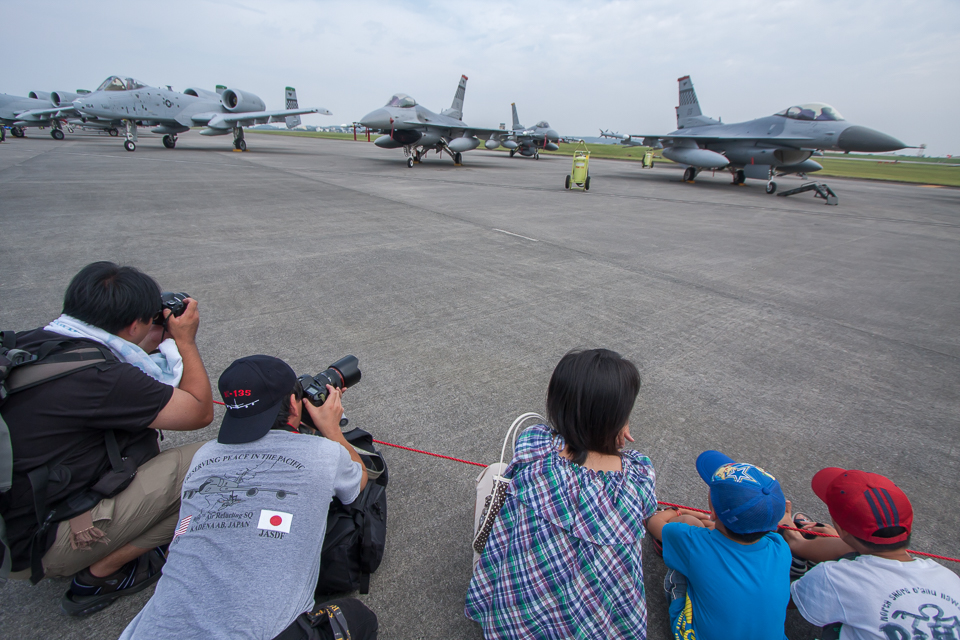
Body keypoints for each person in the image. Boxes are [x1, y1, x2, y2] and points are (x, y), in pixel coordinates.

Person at [0, 261, 213, 615]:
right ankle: (101, 574)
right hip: (45, 546)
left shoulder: (34, 343)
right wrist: (185, 342)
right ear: (133, 326)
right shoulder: (104, 377)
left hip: (18, 530)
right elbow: (198, 411)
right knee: (216, 462)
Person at [119, 354, 378, 640]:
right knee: (359, 617)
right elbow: (358, 481)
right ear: (294, 403)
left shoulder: (205, 456)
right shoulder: (324, 455)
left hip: (149, 631)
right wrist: (330, 429)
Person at [465, 348, 657, 640]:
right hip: (593, 624)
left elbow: (552, 436)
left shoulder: (535, 449)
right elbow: (647, 510)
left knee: (495, 472)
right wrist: (612, 433)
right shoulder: (636, 478)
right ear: (618, 418)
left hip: (519, 616)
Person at [782, 468, 960, 640]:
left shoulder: (835, 577)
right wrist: (842, 540)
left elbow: (784, 601)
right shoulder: (949, 578)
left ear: (841, 530)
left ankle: (792, 549)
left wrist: (785, 527)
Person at [644, 450, 792, 640]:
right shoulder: (780, 546)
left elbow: (653, 522)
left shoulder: (694, 543)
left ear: (713, 511)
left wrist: (678, 511)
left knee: (688, 527)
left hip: (695, 635)